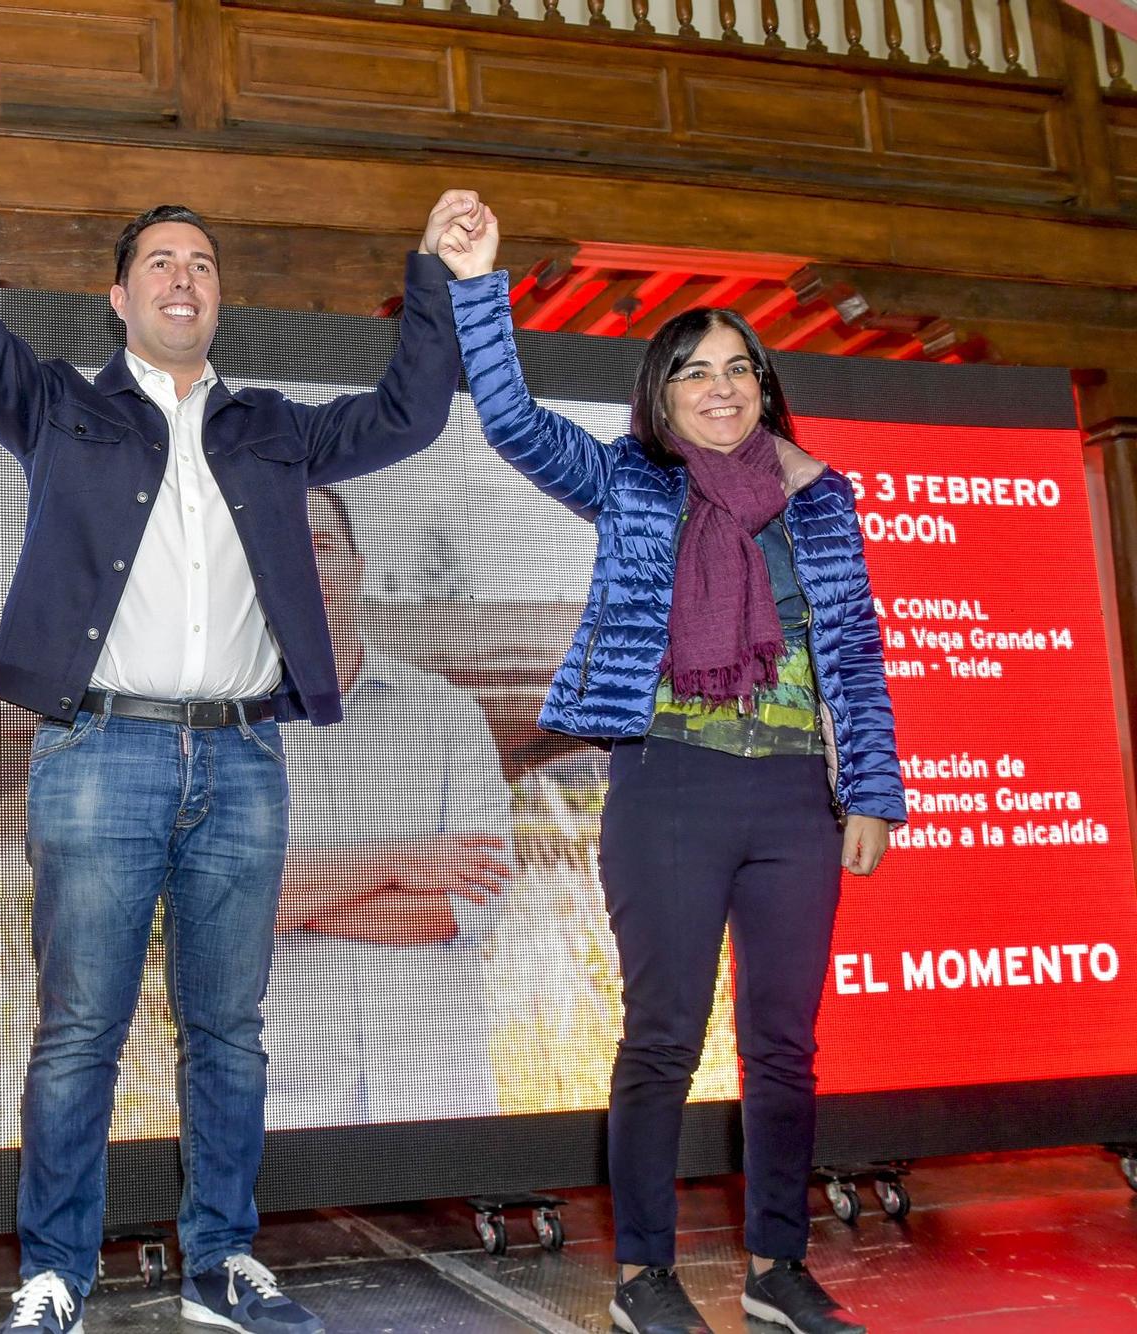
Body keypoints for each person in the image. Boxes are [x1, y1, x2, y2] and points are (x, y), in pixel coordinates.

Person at [0, 39, 480, 1334]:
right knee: (79, 1036)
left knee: (228, 1034)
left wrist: (436, 282)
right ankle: (54, 1271)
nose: (184, 277)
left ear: (219, 301)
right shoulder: (60, 408)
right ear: (117, 298)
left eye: (203, 264)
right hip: (97, 756)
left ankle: (222, 1263)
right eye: (160, 261)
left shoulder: (272, 425)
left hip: (241, 763)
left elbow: (410, 414)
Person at [436, 204, 904, 1334]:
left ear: (762, 384)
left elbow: (851, 647)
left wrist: (871, 791)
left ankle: (773, 1265)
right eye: (695, 371)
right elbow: (505, 417)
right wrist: (474, 285)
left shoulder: (818, 497)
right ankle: (644, 1273)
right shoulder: (631, 483)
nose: (722, 385)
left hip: (796, 795)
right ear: (661, 393)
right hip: (670, 785)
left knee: (783, 1045)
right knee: (661, 1034)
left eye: (738, 367)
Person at [265, 486, 516, 1127]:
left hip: (434, 1086)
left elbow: (460, 911)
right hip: (282, 1094)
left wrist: (286, 895)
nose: (306, 565)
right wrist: (403, 861)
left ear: (358, 561)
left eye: (321, 545)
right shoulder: (220, 728)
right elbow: (211, 904)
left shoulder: (448, 716)